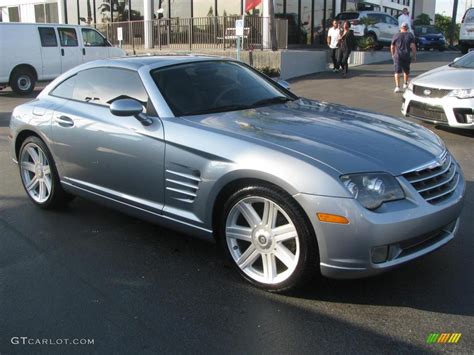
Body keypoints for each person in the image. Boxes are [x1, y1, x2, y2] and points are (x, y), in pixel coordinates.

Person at [391, 22, 416, 93]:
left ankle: (397, 87)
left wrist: (392, 54)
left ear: (401, 28)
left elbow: (392, 46)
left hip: (397, 56)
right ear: (407, 28)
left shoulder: (396, 35)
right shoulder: (410, 35)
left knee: (397, 72)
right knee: (406, 70)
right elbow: (413, 47)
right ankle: (405, 83)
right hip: (406, 55)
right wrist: (414, 56)